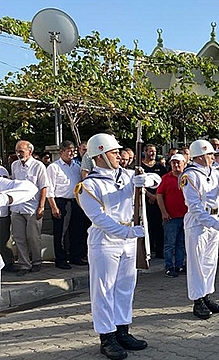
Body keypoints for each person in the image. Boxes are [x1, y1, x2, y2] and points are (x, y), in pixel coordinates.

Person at [75, 133, 160, 359]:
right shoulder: (88, 185)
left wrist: (146, 181)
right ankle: (107, 337)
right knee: (104, 290)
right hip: (105, 242)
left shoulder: (127, 175)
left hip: (128, 241)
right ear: (100, 155)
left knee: (125, 287)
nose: (119, 156)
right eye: (113, 152)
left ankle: (123, 330)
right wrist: (127, 232)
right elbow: (98, 218)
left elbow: (156, 180)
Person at [179, 140, 219, 319]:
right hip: (198, 222)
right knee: (197, 263)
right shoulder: (190, 175)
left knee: (210, 262)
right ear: (201, 156)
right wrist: (212, 222)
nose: (213, 157)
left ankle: (206, 294)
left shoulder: (213, 172)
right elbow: (194, 206)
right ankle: (197, 300)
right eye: (210, 154)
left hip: (214, 219)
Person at [11, 140, 49, 276]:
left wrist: (41, 207)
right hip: (17, 207)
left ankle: (37, 261)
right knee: (19, 237)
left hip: (32, 207)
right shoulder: (15, 165)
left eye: (21, 151)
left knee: (33, 237)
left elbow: (44, 187)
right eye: (17, 151)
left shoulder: (38, 166)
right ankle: (24, 264)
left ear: (30, 151)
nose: (18, 154)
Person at [46, 140, 85, 269]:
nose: (71, 153)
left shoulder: (76, 166)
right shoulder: (54, 167)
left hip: (75, 200)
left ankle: (75, 256)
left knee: (76, 230)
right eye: (68, 150)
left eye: (73, 150)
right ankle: (61, 260)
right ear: (61, 152)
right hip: (60, 201)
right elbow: (49, 189)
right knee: (60, 232)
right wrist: (53, 207)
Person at [0, 168, 38, 275]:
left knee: (3, 241)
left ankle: (9, 263)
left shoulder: (1, 177)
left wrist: (5, 199)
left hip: (3, 214)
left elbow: (31, 188)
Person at [156, 154, 188, 278]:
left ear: (184, 164)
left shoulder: (188, 177)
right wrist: (164, 212)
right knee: (170, 243)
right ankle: (169, 266)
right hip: (171, 217)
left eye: (178, 162)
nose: (175, 165)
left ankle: (180, 264)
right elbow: (159, 195)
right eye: (173, 163)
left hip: (185, 216)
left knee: (181, 243)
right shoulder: (165, 178)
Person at [141, 144, 168, 259]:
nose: (153, 153)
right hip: (144, 200)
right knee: (146, 225)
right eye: (150, 151)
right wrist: (149, 195)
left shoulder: (160, 167)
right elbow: (138, 184)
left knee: (158, 226)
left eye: (154, 151)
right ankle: (148, 249)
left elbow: (163, 184)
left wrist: (156, 196)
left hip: (158, 201)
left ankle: (159, 251)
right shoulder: (140, 167)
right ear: (145, 152)